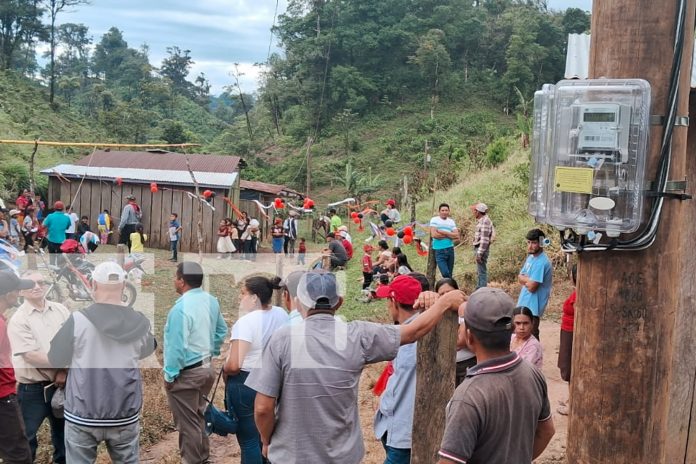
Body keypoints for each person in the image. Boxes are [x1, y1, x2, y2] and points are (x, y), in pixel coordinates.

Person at [246, 270, 465, 464]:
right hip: (344, 456)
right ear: (339, 302)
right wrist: (444, 303)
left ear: (298, 302)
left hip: (292, 455)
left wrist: (267, 440)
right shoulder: (358, 335)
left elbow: (262, 408)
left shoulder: (280, 340)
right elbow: (413, 331)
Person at [47, 262, 156, 463]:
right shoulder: (140, 322)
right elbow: (148, 348)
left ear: (93, 285)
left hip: (83, 413)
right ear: (124, 287)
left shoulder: (78, 320)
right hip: (124, 412)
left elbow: (54, 357)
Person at [438, 287, 555, 464]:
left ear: (469, 337)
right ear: (512, 330)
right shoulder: (532, 374)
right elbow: (546, 431)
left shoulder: (468, 396)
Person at [163, 262, 227, 464]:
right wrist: (212, 352)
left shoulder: (180, 309)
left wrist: (170, 375)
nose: (175, 280)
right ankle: (203, 457)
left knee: (187, 424)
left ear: (182, 281)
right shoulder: (211, 301)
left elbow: (176, 347)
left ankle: (193, 460)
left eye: (176, 277)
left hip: (187, 374)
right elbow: (221, 331)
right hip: (206, 368)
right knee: (198, 416)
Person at [223, 276, 288, 463]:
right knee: (268, 436)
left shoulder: (245, 323)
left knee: (249, 440)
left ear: (254, 298)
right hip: (274, 380)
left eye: (243, 293)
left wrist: (224, 367)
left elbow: (235, 365)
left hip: (246, 382)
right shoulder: (281, 314)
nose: (239, 297)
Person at [8, 271, 70, 463]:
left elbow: (76, 342)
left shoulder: (61, 310)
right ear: (21, 291)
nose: (36, 287)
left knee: (65, 438)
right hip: (32, 391)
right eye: (30, 284)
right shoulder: (18, 319)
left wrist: (65, 371)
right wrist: (63, 366)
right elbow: (31, 356)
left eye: (40, 282)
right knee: (26, 439)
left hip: (63, 385)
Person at [373, 275, 424, 463]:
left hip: (404, 431)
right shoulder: (407, 331)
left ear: (393, 301)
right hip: (394, 426)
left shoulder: (413, 335)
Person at [0, 271, 34, 464]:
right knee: (19, 456)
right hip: (2, 399)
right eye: (17, 289)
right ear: (7, 294)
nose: (20, 292)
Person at [435, 278, 475, 386]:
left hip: (468, 365)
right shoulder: (435, 314)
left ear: (458, 292)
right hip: (445, 367)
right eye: (442, 294)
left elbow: (460, 341)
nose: (446, 297)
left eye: (449, 292)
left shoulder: (468, 309)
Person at [517, 228, 553, 340]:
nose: (530, 246)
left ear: (541, 243)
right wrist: (527, 280)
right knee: (520, 337)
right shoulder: (531, 258)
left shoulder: (542, 262)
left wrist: (525, 280)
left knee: (531, 337)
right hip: (524, 302)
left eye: (534, 243)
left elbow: (532, 287)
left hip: (533, 308)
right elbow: (519, 277)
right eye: (529, 242)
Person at [557, 264, 577, 416]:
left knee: (571, 368)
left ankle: (573, 405)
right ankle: (572, 399)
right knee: (568, 366)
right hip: (568, 332)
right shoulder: (577, 293)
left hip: (572, 334)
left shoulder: (579, 296)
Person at [430, 203, 459, 279]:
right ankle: (451, 286)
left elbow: (456, 236)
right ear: (439, 211)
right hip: (439, 250)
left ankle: (450, 288)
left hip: (450, 249)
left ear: (449, 211)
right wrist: (450, 235)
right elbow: (434, 235)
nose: (444, 212)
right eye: (442, 210)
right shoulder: (434, 220)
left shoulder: (451, 221)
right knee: (445, 273)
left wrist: (443, 232)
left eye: (446, 210)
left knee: (450, 272)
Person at [471, 203, 494, 289]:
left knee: (482, 271)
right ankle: (480, 288)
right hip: (480, 248)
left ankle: (482, 289)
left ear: (478, 212)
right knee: (480, 270)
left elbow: (484, 240)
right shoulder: (483, 220)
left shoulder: (485, 221)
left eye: (475, 211)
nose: (473, 213)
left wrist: (479, 254)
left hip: (481, 249)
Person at [43, 201, 71, 266]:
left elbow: (44, 226)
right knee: (60, 256)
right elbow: (67, 227)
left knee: (52, 256)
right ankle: (59, 269)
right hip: (62, 240)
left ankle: (52, 268)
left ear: (54, 208)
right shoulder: (67, 217)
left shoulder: (50, 216)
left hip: (51, 239)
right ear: (63, 208)